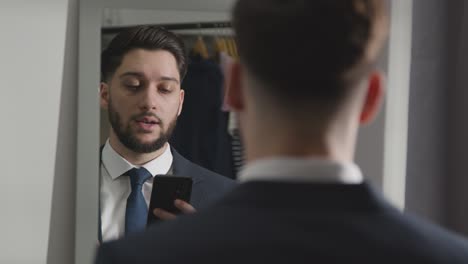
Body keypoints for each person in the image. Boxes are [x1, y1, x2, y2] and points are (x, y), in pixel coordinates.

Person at [95, 0, 468, 263]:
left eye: (164, 88)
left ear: (234, 88)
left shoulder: (135, 257)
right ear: (371, 98)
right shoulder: (449, 257)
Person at [98, 25, 235, 242]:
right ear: (105, 95)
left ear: (180, 102)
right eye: (134, 85)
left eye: (164, 89)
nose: (149, 103)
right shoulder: (59, 184)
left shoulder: (227, 200)